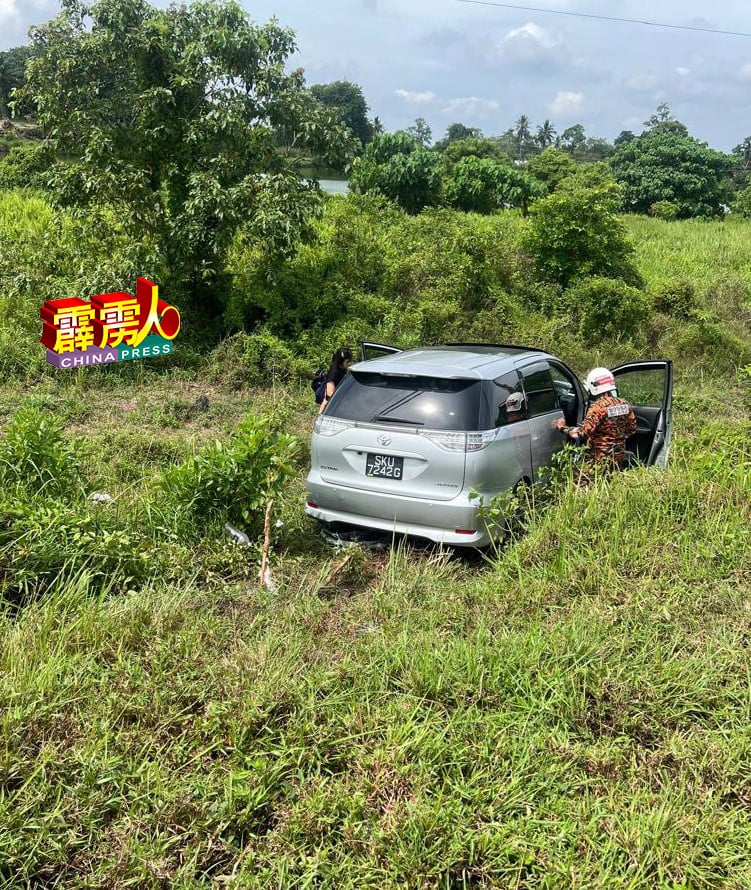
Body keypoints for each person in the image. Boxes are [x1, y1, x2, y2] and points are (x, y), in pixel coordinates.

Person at [556, 367, 636, 470]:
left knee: (579, 481)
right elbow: (632, 429)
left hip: (598, 459)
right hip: (618, 457)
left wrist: (563, 427)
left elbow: (580, 433)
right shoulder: (624, 404)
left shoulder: (597, 408)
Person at [318, 346, 353, 413]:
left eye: (351, 361)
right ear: (341, 362)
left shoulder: (343, 367)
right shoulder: (334, 372)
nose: (350, 363)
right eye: (348, 362)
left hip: (340, 391)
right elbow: (329, 394)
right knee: (325, 403)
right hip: (332, 398)